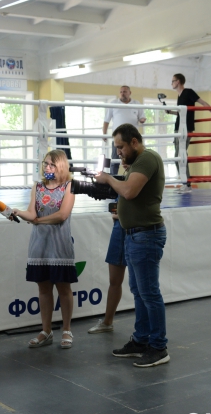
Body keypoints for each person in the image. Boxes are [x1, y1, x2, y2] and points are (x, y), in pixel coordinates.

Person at [93, 124, 168, 368]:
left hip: (146, 235)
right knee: (139, 291)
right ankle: (141, 340)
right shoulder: (137, 162)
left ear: (134, 142)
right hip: (135, 235)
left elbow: (129, 192)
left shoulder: (147, 158)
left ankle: (158, 347)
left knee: (149, 293)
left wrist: (108, 178)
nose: (118, 152)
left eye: (121, 147)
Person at [13, 149, 77, 349]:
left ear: (61, 166)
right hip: (40, 245)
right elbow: (31, 214)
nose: (47, 168)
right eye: (46, 164)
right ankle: (46, 330)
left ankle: (66, 330)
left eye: (52, 164)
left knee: (64, 288)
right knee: (43, 288)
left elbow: (62, 215)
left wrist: (38, 221)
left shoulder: (69, 186)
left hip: (60, 245)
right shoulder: (38, 187)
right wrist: (17, 212)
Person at [87, 163, 129, 334]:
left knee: (140, 284)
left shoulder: (142, 172)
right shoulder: (124, 177)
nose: (121, 155)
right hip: (119, 229)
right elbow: (117, 210)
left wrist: (109, 179)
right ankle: (107, 321)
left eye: (122, 150)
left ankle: (146, 330)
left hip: (137, 230)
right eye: (119, 151)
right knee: (114, 280)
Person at [168, 73, 211, 192]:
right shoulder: (179, 96)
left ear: (178, 81)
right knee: (178, 157)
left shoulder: (188, 92)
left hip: (186, 128)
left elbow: (203, 103)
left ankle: (187, 184)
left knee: (180, 156)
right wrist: (170, 112)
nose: (171, 83)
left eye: (173, 81)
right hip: (178, 128)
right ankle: (185, 183)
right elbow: (182, 113)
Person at [103, 86, 146, 176]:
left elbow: (142, 117)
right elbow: (106, 120)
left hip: (132, 139)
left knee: (135, 159)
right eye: (121, 92)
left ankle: (134, 178)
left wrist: (142, 120)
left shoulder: (136, 103)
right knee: (115, 161)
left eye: (125, 92)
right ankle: (113, 179)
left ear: (130, 93)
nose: (122, 93)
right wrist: (104, 134)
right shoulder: (113, 103)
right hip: (118, 139)